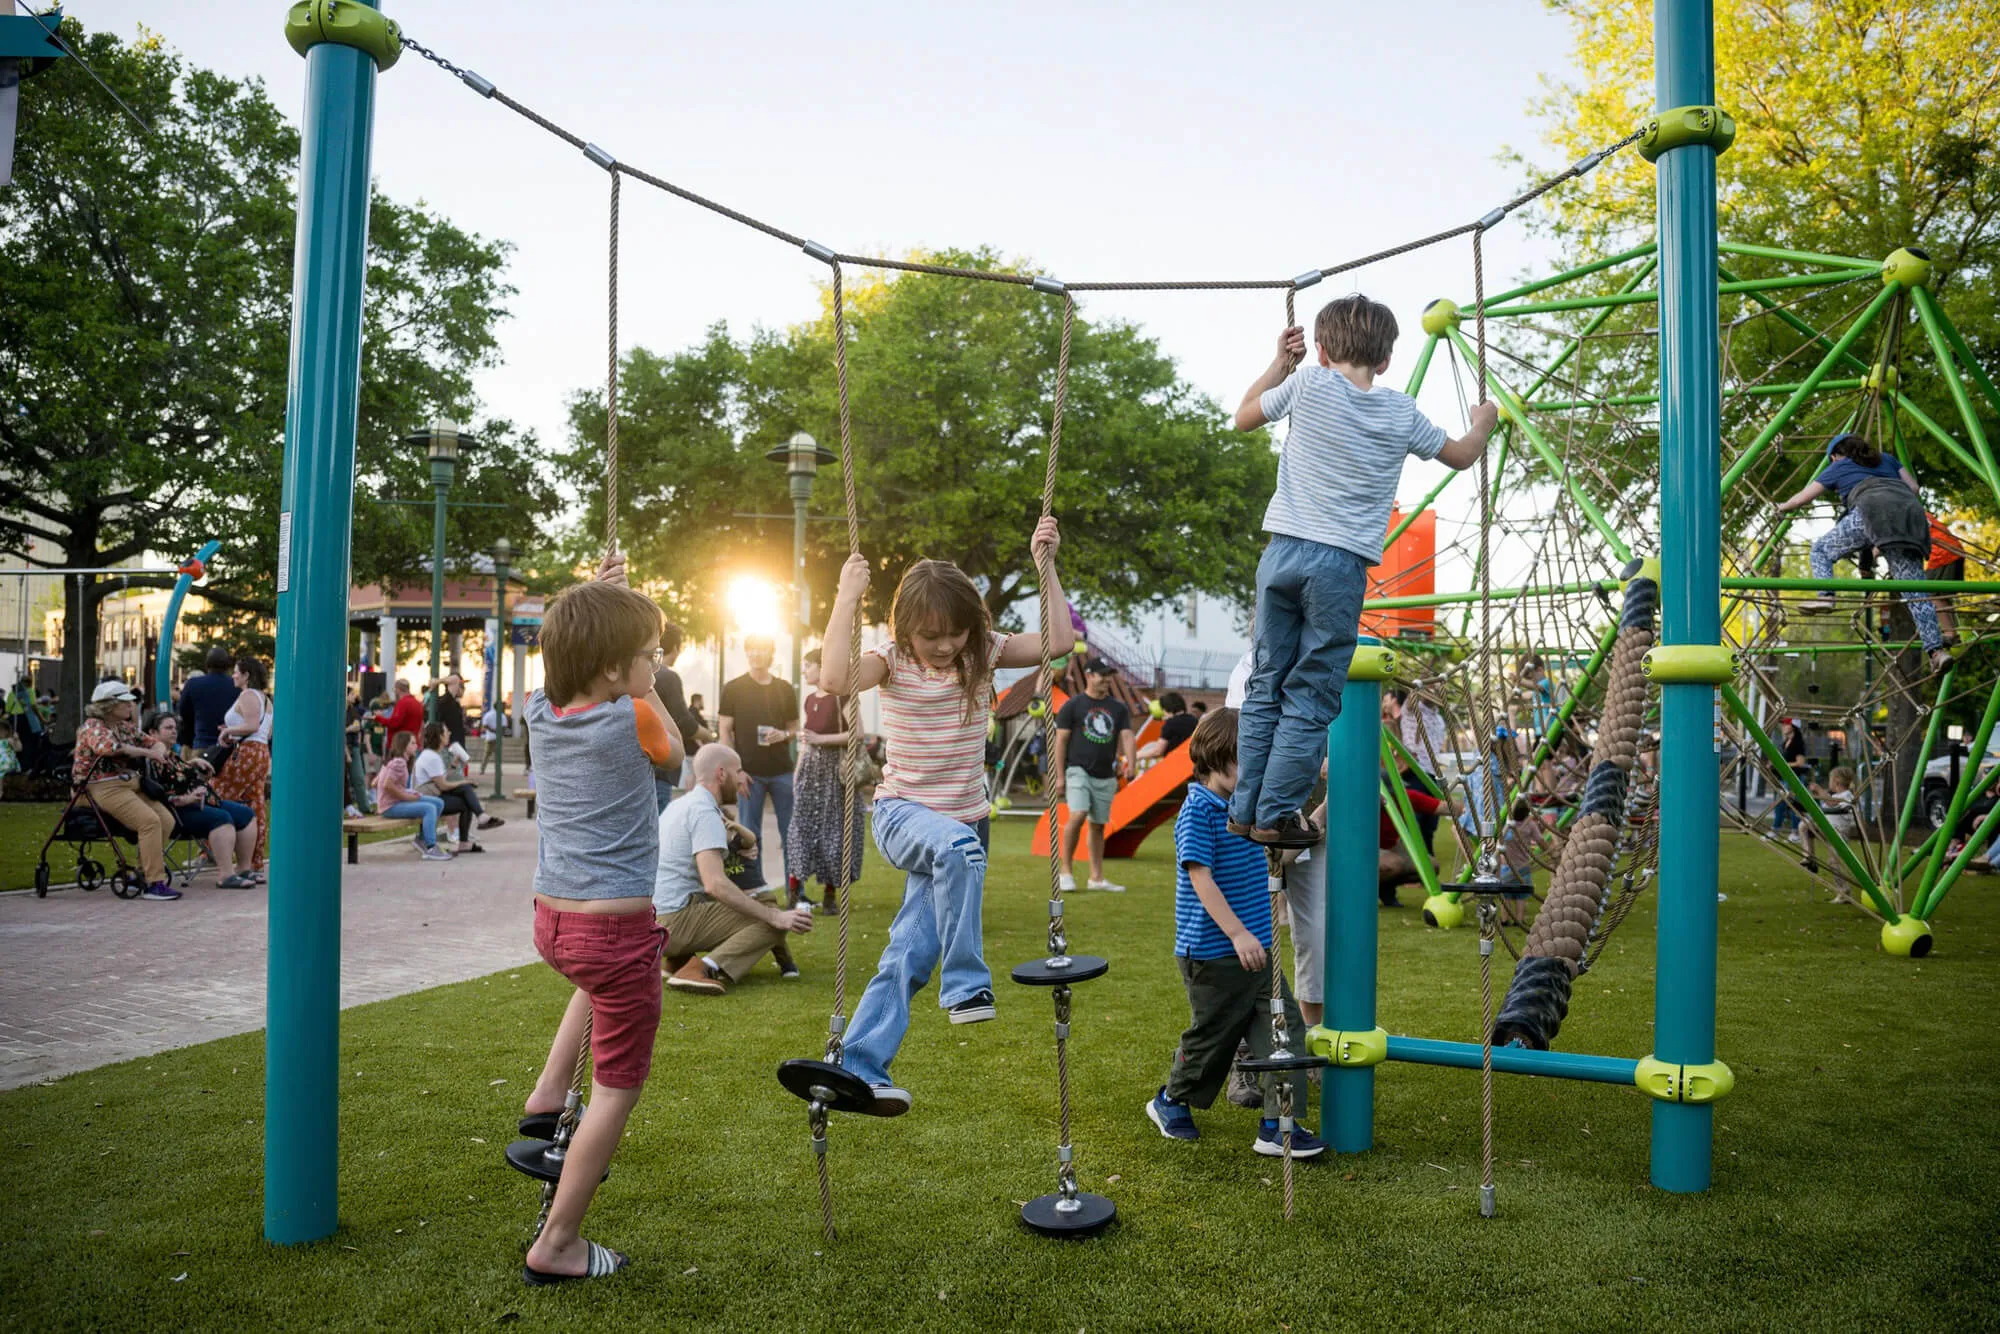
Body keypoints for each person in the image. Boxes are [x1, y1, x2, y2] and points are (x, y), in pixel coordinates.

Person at [819, 515, 1071, 1112]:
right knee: (959, 850)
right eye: (931, 635)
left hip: (965, 821)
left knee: (908, 953)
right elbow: (834, 677)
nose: (944, 646)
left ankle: (858, 1066)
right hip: (904, 815)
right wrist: (845, 598)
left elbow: (1057, 641)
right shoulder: (890, 661)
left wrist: (1047, 566)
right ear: (905, 630)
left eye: (955, 633)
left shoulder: (981, 655)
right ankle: (966, 987)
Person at [1228, 296, 1498, 847]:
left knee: (1265, 683)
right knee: (1310, 693)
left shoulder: (1306, 385)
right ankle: (1275, 814)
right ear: (1386, 361)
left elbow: (1244, 416)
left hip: (1282, 552)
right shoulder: (1400, 411)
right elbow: (1462, 455)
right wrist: (1483, 422)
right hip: (1340, 564)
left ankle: (1243, 808)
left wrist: (1280, 364)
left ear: (1321, 352)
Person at [514, 553, 682, 1284]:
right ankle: (559, 1244)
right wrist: (646, 681)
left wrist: (603, 604)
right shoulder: (636, 713)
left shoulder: (537, 712)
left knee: (596, 982)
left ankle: (546, 1095)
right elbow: (676, 754)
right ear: (616, 669)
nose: (658, 665)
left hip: (554, 921)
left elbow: (576, 650)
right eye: (650, 656)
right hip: (614, 929)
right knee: (617, 1089)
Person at [1144, 708, 1327, 1157]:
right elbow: (1200, 877)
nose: (1254, 771)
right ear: (1213, 759)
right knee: (1214, 1039)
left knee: (1284, 1033)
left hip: (1259, 952)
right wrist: (1238, 934)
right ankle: (1169, 1101)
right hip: (1213, 952)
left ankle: (1276, 1123)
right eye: (1245, 760)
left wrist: (1318, 818)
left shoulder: (1250, 812)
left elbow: (1275, 863)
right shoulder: (1199, 810)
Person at [1774, 431, 1949, 671]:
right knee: (1915, 592)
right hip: (1910, 516)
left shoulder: (1839, 466)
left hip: (1871, 510)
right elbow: (1914, 488)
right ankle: (1936, 651)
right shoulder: (1887, 459)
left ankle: (1826, 596)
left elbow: (1803, 498)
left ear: (1836, 455)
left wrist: (1781, 507)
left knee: (1821, 551)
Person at [654, 743, 815, 994]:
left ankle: (677, 960)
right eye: (738, 771)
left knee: (758, 906)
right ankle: (700, 969)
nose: (743, 777)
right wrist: (775, 916)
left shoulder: (682, 805)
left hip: (655, 921)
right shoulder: (703, 812)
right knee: (770, 921)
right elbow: (715, 884)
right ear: (722, 774)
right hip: (673, 923)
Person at [71, 681, 180, 901]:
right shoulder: (93, 727)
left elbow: (154, 742)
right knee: (149, 821)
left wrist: (158, 750)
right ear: (110, 706)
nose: (131, 707)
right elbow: (110, 749)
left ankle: (142, 873)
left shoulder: (123, 727)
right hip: (98, 787)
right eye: (126, 704)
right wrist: (149, 753)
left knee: (166, 820)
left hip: (128, 784)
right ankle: (153, 883)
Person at [718, 635, 800, 890]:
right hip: (748, 774)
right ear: (746, 653)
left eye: (761, 649)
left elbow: (794, 728)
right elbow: (724, 732)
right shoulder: (733, 688)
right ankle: (758, 890)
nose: (756, 654)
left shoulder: (784, 688)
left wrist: (783, 735)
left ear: (771, 653)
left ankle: (796, 892)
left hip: (782, 772)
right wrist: (737, 771)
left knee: (791, 835)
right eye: (751, 649)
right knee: (750, 838)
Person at [143, 711, 260, 888]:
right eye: (168, 728)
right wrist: (188, 798)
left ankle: (244, 868)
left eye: (175, 728)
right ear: (153, 733)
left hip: (203, 802)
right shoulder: (153, 759)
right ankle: (226, 875)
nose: (174, 731)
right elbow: (158, 794)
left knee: (246, 814)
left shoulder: (171, 755)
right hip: (177, 811)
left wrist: (193, 764)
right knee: (221, 818)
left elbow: (178, 774)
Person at [787, 648, 865, 914]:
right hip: (810, 771)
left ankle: (830, 895)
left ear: (824, 667)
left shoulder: (842, 696)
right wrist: (798, 773)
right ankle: (794, 892)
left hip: (834, 773)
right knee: (800, 829)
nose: (805, 670)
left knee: (833, 833)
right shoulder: (809, 699)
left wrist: (821, 740)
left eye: (809, 665)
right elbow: (807, 741)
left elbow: (859, 733)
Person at [1051, 658, 1137, 892]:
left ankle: (1096, 878)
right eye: (1102, 675)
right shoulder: (1073, 705)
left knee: (1098, 825)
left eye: (1109, 675)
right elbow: (1061, 740)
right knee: (1077, 815)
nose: (1107, 679)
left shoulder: (1118, 708)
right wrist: (1059, 776)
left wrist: (1131, 762)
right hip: (1077, 770)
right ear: (1089, 676)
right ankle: (1065, 872)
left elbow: (1127, 736)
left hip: (1105, 775)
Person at [209, 656, 272, 879]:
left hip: (244, 754)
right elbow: (266, 730)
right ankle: (253, 863)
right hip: (261, 753)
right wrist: (234, 728)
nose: (233, 675)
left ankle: (210, 850)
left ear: (246, 675)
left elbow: (252, 726)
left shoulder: (247, 695)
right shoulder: (265, 699)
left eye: (236, 672)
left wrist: (228, 732)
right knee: (255, 803)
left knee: (216, 795)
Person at [413, 721, 503, 851]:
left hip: (432, 795)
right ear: (439, 736)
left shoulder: (432, 755)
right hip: (428, 799)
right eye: (446, 732)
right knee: (466, 794)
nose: (449, 733)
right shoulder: (432, 757)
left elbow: (440, 779)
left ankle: (477, 823)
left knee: (466, 794)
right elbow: (443, 786)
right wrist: (464, 782)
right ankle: (478, 821)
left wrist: (454, 766)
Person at [649, 619, 707, 812]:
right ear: (675, 648)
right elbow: (684, 722)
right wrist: (709, 735)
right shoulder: (668, 677)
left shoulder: (642, 674)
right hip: (661, 765)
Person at [376, 731, 450, 860]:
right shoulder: (399, 762)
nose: (417, 745)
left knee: (438, 803)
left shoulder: (398, 761)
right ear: (404, 745)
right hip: (390, 806)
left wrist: (408, 792)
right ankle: (431, 847)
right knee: (429, 808)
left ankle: (422, 839)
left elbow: (375, 783)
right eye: (413, 743)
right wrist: (406, 796)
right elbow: (387, 785)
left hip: (396, 801)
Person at [1799, 766, 1860, 894]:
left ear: (1836, 781)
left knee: (1834, 863)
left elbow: (1833, 804)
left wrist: (1820, 791)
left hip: (1838, 834)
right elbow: (1829, 802)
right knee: (1804, 826)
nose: (1829, 783)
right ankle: (1809, 856)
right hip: (1829, 830)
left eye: (1830, 780)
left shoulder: (1847, 795)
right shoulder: (1836, 795)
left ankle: (1843, 891)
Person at [1498, 798, 1551, 927]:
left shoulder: (1507, 825)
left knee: (1506, 895)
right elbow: (1540, 841)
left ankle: (1505, 919)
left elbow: (1498, 844)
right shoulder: (1530, 825)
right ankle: (1520, 920)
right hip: (1523, 867)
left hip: (1507, 866)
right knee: (1521, 896)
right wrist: (1549, 851)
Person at [177, 646, 239, 753]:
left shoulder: (193, 684)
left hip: (202, 744)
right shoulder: (236, 686)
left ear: (207, 664)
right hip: (230, 747)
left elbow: (183, 712)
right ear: (227, 665)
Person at [1926, 512, 1968, 646]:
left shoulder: (1904, 511)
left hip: (1942, 553)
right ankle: (1953, 633)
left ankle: (1949, 633)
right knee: (1943, 596)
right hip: (1954, 549)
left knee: (1932, 594)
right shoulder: (1916, 509)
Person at [1765, 719, 1808, 842]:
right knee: (1780, 804)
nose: (1783, 726)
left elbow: (1800, 762)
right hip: (1785, 778)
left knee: (1794, 805)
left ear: (1794, 727)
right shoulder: (1785, 743)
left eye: (1786, 724)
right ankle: (1775, 830)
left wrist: (1783, 765)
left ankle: (1795, 832)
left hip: (1795, 778)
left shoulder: (1798, 743)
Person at [374, 679, 425, 763]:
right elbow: (421, 725)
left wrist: (378, 718)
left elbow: (394, 723)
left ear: (398, 689)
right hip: (412, 744)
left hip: (399, 746)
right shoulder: (418, 704)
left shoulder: (402, 703)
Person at [1138, 691, 1198, 762]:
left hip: (1174, 764)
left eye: (1163, 709)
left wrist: (1136, 755)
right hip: (1191, 764)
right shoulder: (1194, 720)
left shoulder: (1170, 724)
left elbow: (1158, 751)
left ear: (1167, 708)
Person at [344, 688, 373, 818]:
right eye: (351, 694)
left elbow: (357, 725)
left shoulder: (353, 710)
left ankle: (364, 806)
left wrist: (346, 729)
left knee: (358, 777)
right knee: (343, 780)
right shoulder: (339, 710)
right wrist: (349, 729)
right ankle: (348, 806)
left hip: (353, 746)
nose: (354, 697)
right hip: (344, 747)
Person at [435, 673, 470, 749]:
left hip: (457, 746)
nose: (464, 689)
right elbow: (455, 678)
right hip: (451, 746)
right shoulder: (446, 701)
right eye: (462, 686)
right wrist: (437, 681)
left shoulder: (455, 703)